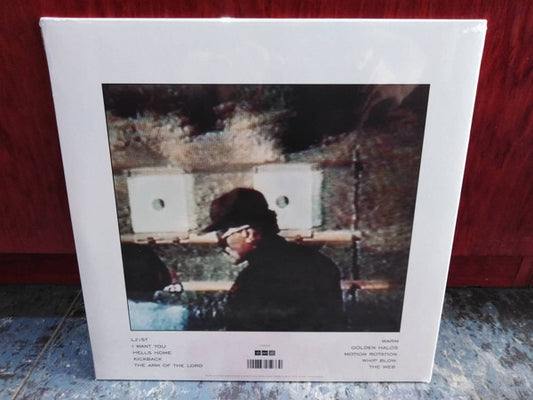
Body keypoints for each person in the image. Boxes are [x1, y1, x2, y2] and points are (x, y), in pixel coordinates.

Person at [203, 188, 345, 331]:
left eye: (222, 234)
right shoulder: (319, 262)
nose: (221, 243)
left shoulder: (253, 280)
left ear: (248, 233)